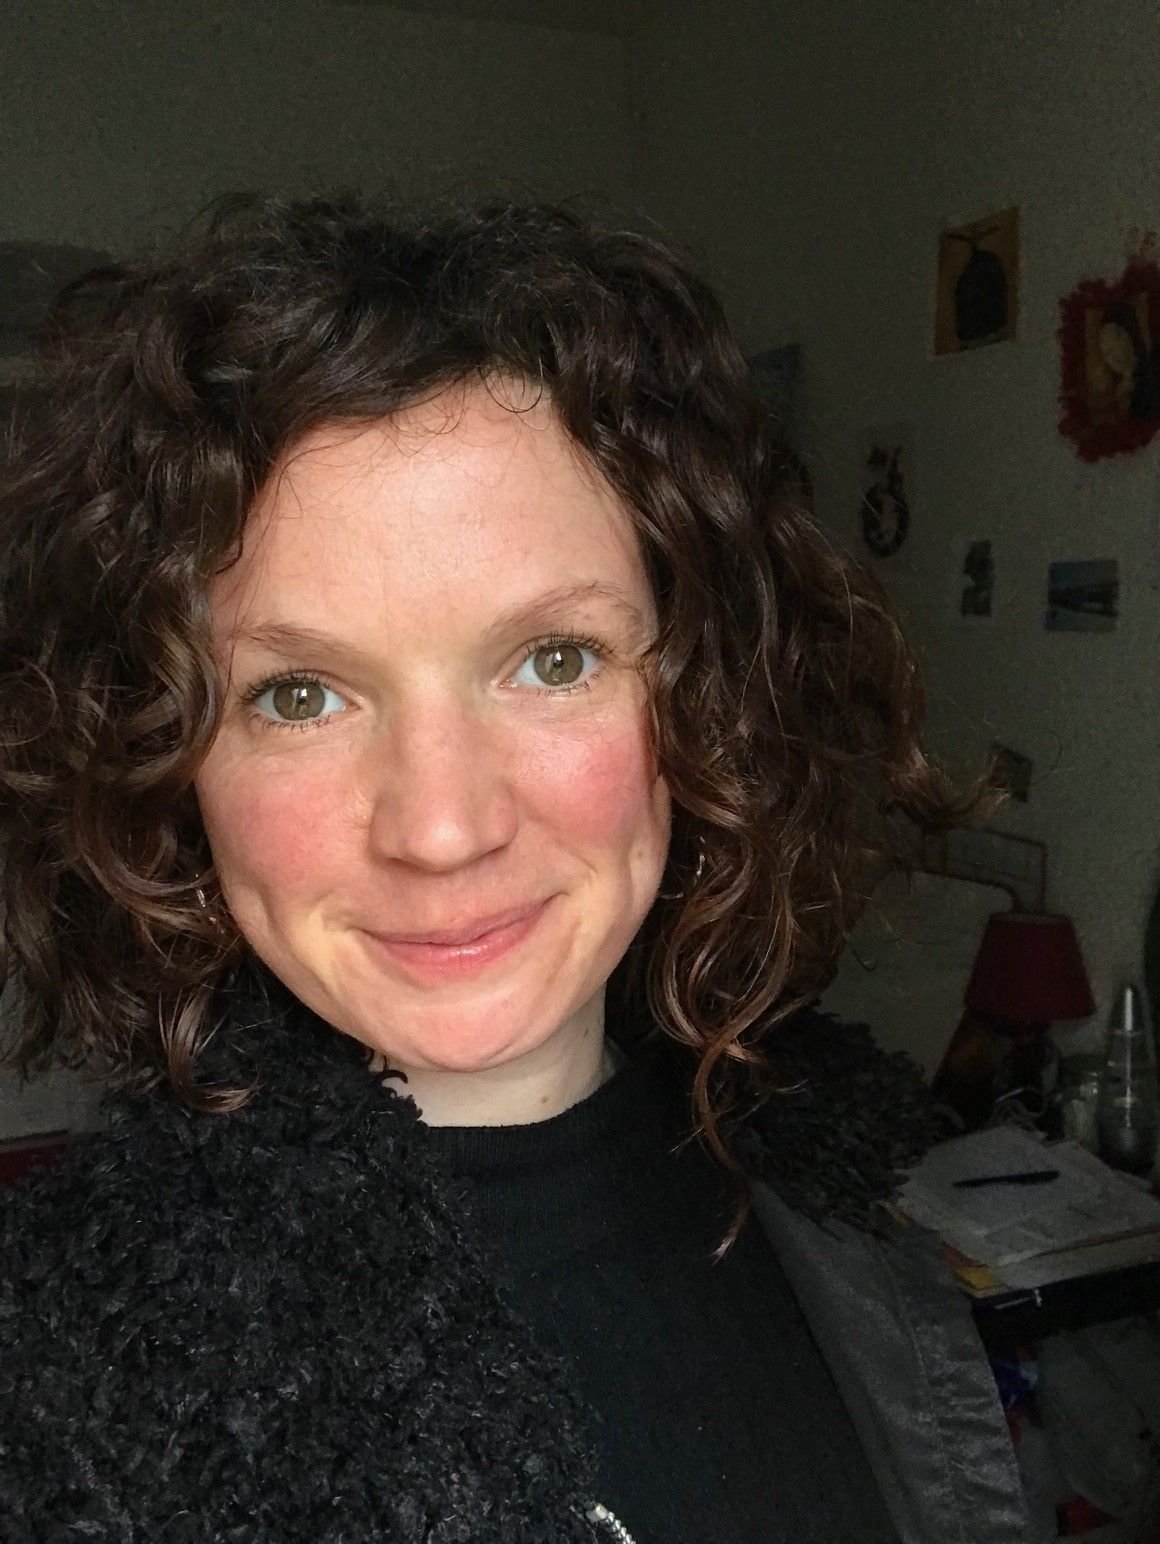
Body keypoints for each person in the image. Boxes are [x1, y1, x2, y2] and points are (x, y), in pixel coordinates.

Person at [0, 197, 1031, 1542]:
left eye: (554, 660)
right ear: (166, 761)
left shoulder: (847, 1205)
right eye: (300, 695)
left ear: (704, 694)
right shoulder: (61, 1393)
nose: (441, 828)